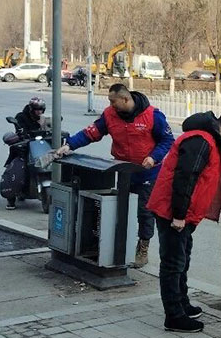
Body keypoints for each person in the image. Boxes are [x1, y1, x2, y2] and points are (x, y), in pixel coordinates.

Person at [146, 104, 221, 332]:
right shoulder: (201, 141)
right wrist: (179, 215)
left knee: (182, 259)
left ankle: (182, 304)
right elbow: (185, 177)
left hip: (183, 213)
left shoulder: (211, 141)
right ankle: (174, 316)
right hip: (172, 212)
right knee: (173, 263)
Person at [56, 84, 174, 267]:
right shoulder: (110, 115)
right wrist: (69, 145)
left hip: (148, 173)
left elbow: (167, 140)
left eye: (113, 101)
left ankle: (143, 247)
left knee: (144, 211)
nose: (111, 105)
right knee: (121, 209)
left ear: (125, 99)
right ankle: (119, 245)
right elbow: (91, 133)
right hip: (124, 171)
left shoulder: (152, 115)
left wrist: (153, 157)